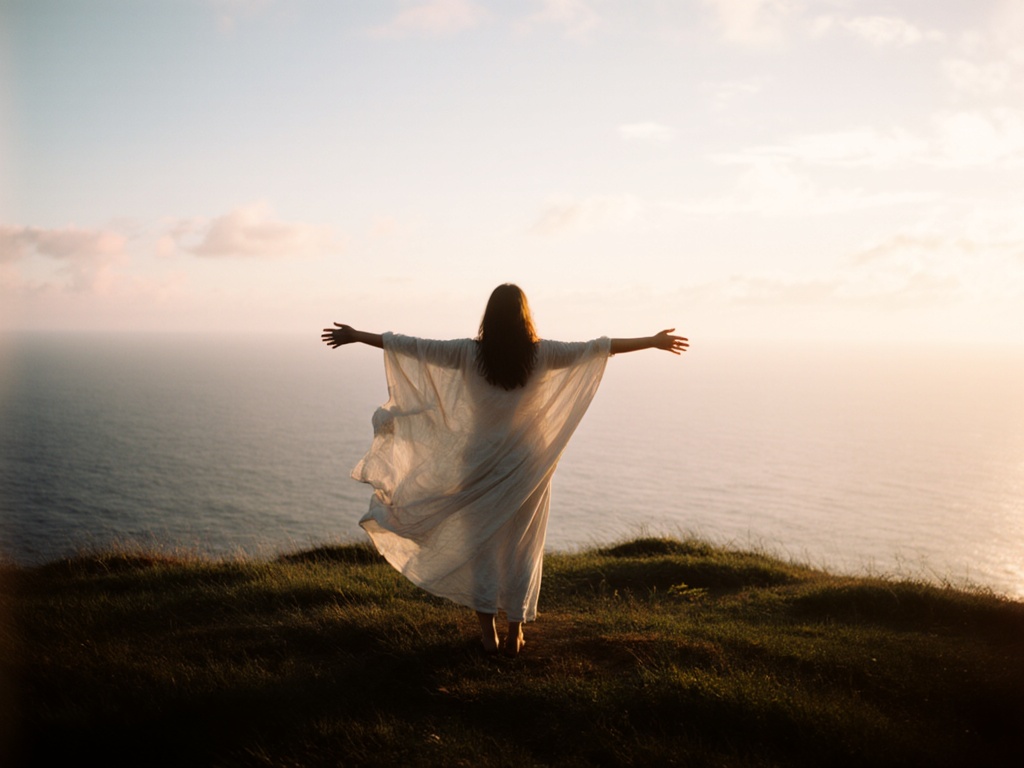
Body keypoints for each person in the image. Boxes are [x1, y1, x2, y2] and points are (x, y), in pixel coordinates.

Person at [321, 283, 687, 657]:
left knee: (481, 547)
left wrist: (356, 336)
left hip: (477, 459)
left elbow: (411, 345)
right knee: (521, 548)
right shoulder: (543, 354)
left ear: (489, 316)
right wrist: (653, 341)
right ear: (524, 315)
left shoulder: (468, 353)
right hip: (527, 465)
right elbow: (600, 347)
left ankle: (487, 635)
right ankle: (515, 634)